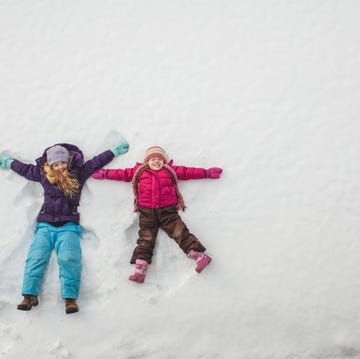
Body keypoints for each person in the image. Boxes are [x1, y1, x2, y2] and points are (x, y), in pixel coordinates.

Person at [0, 140, 129, 313]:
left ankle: (70, 299)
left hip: (68, 225)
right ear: (50, 164)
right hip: (45, 225)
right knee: (36, 257)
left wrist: (113, 151)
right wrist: (9, 163)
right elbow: (25, 169)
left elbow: (95, 162)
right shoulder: (42, 174)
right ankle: (29, 296)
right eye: (56, 164)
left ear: (67, 162)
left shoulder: (78, 174)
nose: (60, 167)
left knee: (69, 258)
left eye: (62, 163)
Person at [92, 145, 223, 284]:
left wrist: (206, 173)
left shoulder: (170, 170)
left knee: (180, 232)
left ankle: (200, 257)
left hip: (168, 212)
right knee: (145, 238)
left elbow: (187, 172)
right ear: (146, 161)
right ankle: (140, 270)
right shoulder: (139, 171)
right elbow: (122, 174)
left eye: (159, 159)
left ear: (164, 161)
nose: (156, 161)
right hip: (147, 213)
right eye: (152, 159)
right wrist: (105, 174)